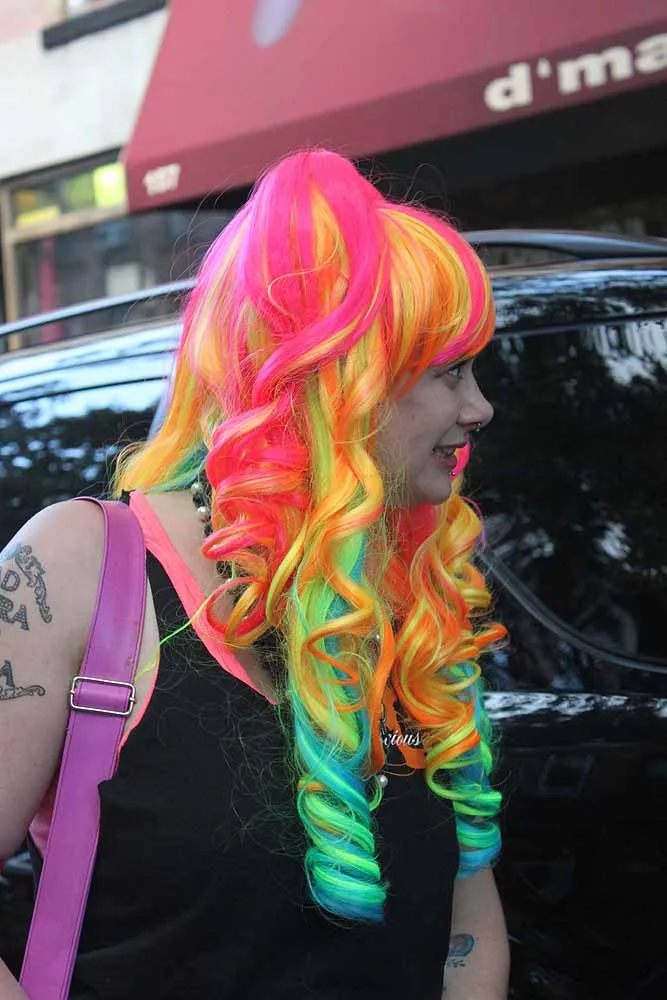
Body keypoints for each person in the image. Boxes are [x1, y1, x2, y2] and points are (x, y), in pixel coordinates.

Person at [0, 149, 510, 999]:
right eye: (448, 371)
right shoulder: (79, 566)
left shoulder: (413, 591)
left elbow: (467, 916)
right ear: (340, 380)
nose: (478, 407)